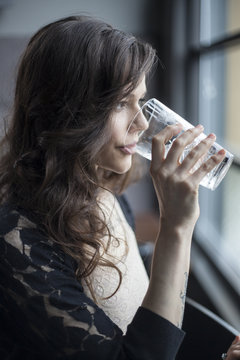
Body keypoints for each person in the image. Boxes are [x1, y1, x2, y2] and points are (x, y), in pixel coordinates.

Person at [0, 15, 238, 360]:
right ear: (66, 112)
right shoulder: (15, 246)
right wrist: (176, 227)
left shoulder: (103, 192)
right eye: (119, 103)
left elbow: (145, 327)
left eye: (140, 101)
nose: (142, 123)